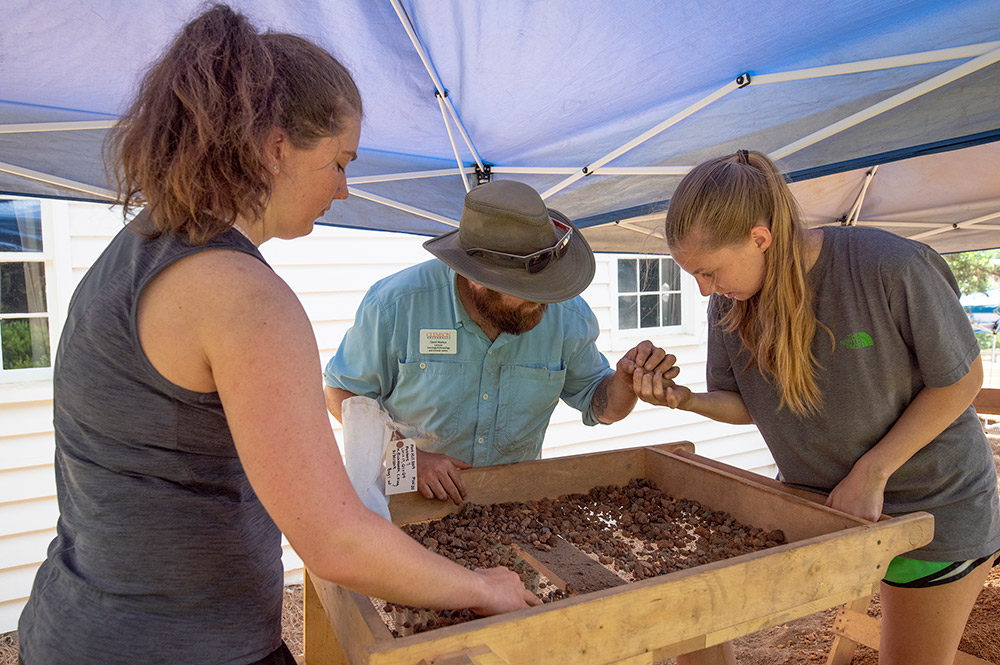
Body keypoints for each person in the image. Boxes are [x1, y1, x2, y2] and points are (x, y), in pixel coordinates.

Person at [16, 7, 538, 665]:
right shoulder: (244, 296)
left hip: (73, 628)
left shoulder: (137, 249)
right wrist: (481, 585)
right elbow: (335, 541)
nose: (344, 189)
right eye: (339, 163)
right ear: (276, 146)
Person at [638, 149, 1000, 665]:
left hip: (934, 507)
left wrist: (872, 472)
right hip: (820, 509)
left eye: (710, 271)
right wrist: (686, 400)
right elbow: (746, 404)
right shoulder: (731, 303)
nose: (704, 291)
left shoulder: (891, 266)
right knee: (694, 613)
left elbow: (962, 382)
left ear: (760, 238)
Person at [324, 179, 678, 505]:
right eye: (525, 293)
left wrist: (625, 383)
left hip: (513, 505)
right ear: (477, 279)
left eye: (547, 288)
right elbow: (341, 393)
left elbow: (599, 405)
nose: (542, 303)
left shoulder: (568, 315)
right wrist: (409, 459)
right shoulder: (397, 305)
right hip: (410, 498)